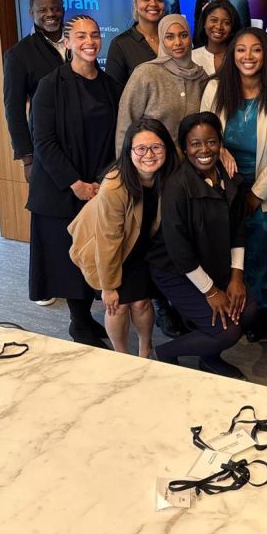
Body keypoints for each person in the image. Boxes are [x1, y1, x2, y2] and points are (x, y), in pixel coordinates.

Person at [26, 14, 121, 346]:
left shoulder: (110, 85)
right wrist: (75, 184)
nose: (89, 42)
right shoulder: (50, 85)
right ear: (67, 42)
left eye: (94, 35)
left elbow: (117, 137)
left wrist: (104, 180)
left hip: (98, 184)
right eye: (81, 36)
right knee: (66, 257)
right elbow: (43, 141)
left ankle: (85, 319)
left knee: (91, 251)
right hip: (60, 187)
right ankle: (78, 323)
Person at [146, 112, 255, 378]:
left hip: (212, 261)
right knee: (228, 331)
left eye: (211, 142)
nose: (204, 150)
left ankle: (208, 358)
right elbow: (179, 251)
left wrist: (236, 278)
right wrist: (211, 291)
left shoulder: (228, 177)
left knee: (249, 310)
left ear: (220, 143)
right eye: (195, 144)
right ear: (184, 148)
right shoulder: (176, 187)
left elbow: (238, 229)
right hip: (176, 270)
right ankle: (166, 353)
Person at [201, 28, 267, 341]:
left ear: (266, 55)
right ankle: (222, 307)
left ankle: (256, 312)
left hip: (264, 190)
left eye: (256, 50)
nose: (248, 56)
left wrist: (256, 193)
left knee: (257, 254)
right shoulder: (214, 88)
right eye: (241, 50)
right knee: (221, 250)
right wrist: (219, 149)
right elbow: (202, 134)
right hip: (221, 186)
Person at [68, 117, 177, 357]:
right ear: (129, 152)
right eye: (141, 149)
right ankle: (121, 355)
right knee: (117, 305)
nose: (149, 154)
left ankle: (145, 350)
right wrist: (108, 287)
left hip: (144, 246)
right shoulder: (115, 186)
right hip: (115, 248)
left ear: (166, 148)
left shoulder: (170, 172)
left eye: (156, 147)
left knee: (141, 303)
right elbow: (108, 240)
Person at [115, 14, 207, 153]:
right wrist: (123, 162)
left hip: (189, 161)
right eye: (170, 37)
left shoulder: (201, 77)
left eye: (183, 35)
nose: (178, 42)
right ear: (162, 40)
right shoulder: (146, 73)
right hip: (150, 160)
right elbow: (126, 121)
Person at [2, 0, 65, 186]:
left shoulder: (78, 42)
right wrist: (27, 158)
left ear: (63, 10)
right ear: (31, 14)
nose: (50, 14)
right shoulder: (18, 55)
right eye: (42, 10)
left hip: (85, 138)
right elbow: (14, 110)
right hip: (47, 142)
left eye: (55, 8)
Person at [105, 0, 167, 91]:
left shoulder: (173, 39)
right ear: (135, 5)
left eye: (159, 0)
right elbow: (114, 91)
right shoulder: (120, 44)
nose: (153, 3)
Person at [191, 0, 241, 76]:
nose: (219, 27)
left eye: (226, 23)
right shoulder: (191, 57)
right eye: (214, 20)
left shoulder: (240, 57)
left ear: (232, 27)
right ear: (204, 23)